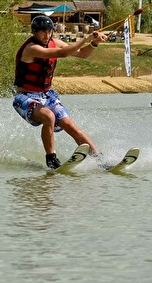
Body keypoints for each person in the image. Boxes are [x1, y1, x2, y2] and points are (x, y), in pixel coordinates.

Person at [13, 14, 106, 169]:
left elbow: (82, 54)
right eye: (43, 32)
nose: (47, 35)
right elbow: (63, 53)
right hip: (25, 98)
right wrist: (86, 38)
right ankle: (51, 159)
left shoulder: (54, 42)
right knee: (48, 116)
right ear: (34, 32)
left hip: (46, 96)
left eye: (49, 31)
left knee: (69, 124)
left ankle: (99, 158)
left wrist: (94, 43)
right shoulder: (31, 49)